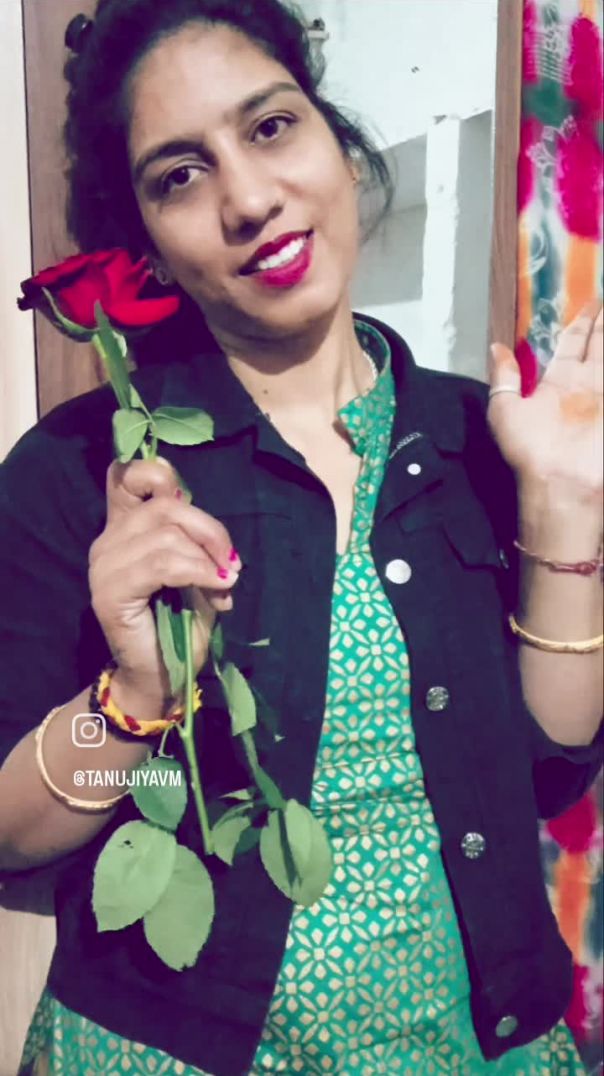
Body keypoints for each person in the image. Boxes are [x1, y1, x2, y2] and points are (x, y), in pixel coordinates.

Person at [0, 1, 602, 1073]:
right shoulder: (80, 472)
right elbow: (7, 836)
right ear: (146, 242)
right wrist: (133, 696)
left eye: (271, 126)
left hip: (472, 1046)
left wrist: (562, 510)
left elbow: (548, 771)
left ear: (337, 141)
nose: (248, 198)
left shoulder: (482, 438)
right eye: (180, 175)